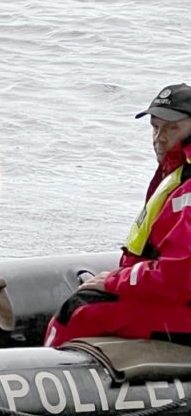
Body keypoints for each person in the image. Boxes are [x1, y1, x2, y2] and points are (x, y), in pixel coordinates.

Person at [45, 84, 191, 347]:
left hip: (182, 304)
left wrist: (114, 281)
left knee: (79, 312)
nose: (159, 137)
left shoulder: (186, 188)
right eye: (155, 127)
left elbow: (178, 275)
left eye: (172, 128)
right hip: (176, 296)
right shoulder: (176, 175)